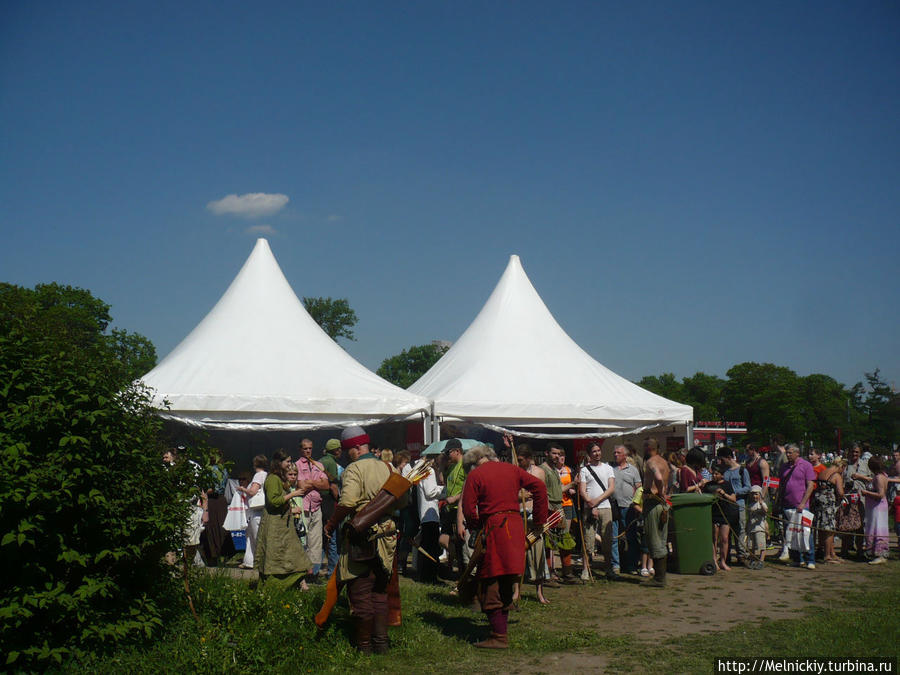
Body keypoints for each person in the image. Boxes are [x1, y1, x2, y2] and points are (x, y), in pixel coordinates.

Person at [324, 426, 404, 654]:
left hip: (362, 537)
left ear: (357, 447)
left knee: (360, 591)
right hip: (387, 538)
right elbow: (401, 501)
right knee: (379, 591)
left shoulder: (354, 469)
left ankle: (364, 646)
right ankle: (381, 644)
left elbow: (348, 502)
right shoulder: (388, 467)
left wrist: (331, 523)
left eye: (348, 449)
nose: (347, 453)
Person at [460, 444, 548, 649]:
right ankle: (499, 631)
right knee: (507, 578)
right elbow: (539, 487)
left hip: (494, 529)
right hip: (515, 527)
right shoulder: (512, 469)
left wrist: (476, 527)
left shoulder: (475, 475)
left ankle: (499, 637)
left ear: (473, 463)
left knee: (491, 579)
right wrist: (539, 520)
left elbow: (468, 508)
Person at [256, 449, 312, 589]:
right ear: (279, 462)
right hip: (274, 523)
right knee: (275, 554)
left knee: (291, 552)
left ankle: (296, 581)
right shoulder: (272, 479)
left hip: (282, 523)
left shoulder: (279, 478)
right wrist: (294, 495)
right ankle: (274, 584)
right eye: (287, 461)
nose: (289, 464)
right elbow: (273, 501)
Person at [516, 444, 550, 603]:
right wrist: (520, 495)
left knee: (537, 554)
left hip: (534, 517)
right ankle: (516, 591)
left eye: (521, 460)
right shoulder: (514, 471)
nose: (519, 462)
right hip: (519, 515)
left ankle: (539, 592)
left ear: (529, 458)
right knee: (518, 554)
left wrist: (542, 519)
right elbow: (510, 493)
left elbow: (543, 496)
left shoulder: (539, 472)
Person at [162, 447, 208, 567]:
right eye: (178, 452)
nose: (181, 455)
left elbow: (202, 488)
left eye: (183, 452)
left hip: (191, 507)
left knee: (192, 542)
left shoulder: (194, 467)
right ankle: (172, 571)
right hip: (173, 507)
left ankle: (186, 568)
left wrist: (205, 509)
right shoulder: (167, 468)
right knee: (171, 541)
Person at [578, 441, 616, 580]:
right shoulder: (584, 470)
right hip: (590, 509)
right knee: (588, 540)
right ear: (589, 454)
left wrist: (598, 500)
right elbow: (582, 490)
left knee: (607, 540)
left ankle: (608, 568)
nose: (597, 453)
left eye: (598, 450)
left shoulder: (608, 468)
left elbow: (611, 488)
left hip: (605, 507)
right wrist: (591, 504)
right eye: (594, 451)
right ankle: (586, 569)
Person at [777, 444, 817, 569]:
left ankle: (810, 559)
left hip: (801, 505)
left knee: (805, 532)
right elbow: (781, 485)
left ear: (797, 453)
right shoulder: (784, 467)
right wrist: (777, 502)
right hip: (787, 504)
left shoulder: (806, 465)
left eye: (789, 453)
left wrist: (803, 502)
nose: (787, 455)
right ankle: (797, 558)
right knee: (791, 533)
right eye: (786, 453)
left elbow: (810, 485)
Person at [294, 438, 329, 581]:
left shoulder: (318, 464)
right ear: (300, 450)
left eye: (310, 448)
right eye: (305, 448)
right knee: (302, 540)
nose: (308, 450)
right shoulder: (296, 465)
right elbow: (302, 486)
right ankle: (300, 572)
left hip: (316, 507)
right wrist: (317, 483)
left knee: (316, 541)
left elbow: (326, 485)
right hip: (303, 507)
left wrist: (311, 483)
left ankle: (312, 573)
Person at [640, 438, 670, 587]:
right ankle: (660, 576)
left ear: (647, 447)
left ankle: (659, 578)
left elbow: (658, 477)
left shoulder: (651, 462)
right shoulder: (664, 461)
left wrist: (659, 491)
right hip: (663, 505)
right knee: (662, 539)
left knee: (654, 540)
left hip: (653, 502)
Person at [611, 444, 642, 575]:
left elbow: (639, 487)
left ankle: (632, 565)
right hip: (614, 507)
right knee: (614, 537)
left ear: (625, 455)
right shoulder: (611, 469)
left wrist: (637, 505)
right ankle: (616, 565)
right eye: (615, 453)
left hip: (628, 507)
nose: (616, 455)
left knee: (631, 537)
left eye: (618, 453)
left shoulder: (633, 470)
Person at [703, 462, 739, 570]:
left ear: (722, 475)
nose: (714, 476)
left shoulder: (727, 484)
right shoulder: (708, 485)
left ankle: (723, 561)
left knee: (724, 538)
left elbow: (733, 499)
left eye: (717, 474)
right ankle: (714, 560)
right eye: (713, 473)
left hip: (725, 514)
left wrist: (723, 493)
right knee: (714, 538)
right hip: (713, 514)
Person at [549, 443, 577, 581]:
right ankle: (552, 569)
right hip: (554, 505)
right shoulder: (551, 470)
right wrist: (569, 486)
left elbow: (568, 487)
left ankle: (566, 569)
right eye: (557, 455)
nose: (560, 458)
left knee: (565, 535)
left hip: (567, 505)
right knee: (553, 538)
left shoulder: (569, 470)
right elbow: (557, 489)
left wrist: (572, 489)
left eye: (562, 455)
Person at [718, 446, 751, 564]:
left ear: (728, 458)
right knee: (728, 531)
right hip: (727, 505)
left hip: (739, 504)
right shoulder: (725, 473)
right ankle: (726, 555)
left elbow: (748, 487)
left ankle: (741, 554)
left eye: (722, 459)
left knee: (740, 529)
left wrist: (735, 493)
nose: (721, 462)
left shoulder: (742, 470)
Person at [538, 444, 565, 584]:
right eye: (554, 453)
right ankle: (547, 571)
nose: (556, 456)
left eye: (558, 454)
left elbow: (559, 488)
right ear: (547, 453)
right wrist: (548, 508)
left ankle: (561, 571)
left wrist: (573, 484)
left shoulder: (554, 469)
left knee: (561, 539)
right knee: (549, 541)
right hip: (549, 507)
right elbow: (542, 492)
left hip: (559, 505)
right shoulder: (542, 469)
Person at [200, 450, 232, 567]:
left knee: (211, 528)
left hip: (213, 501)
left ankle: (213, 556)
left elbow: (213, 488)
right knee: (221, 527)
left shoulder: (212, 469)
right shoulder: (224, 469)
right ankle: (222, 553)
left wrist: (202, 492)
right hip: (221, 501)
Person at [236, 454, 268, 569]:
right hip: (259, 510)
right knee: (251, 536)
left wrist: (242, 489)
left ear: (255, 464)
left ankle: (258, 562)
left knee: (255, 537)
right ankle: (249, 560)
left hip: (256, 510)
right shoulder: (266, 475)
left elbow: (253, 492)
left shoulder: (258, 476)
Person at [440, 439, 466, 574]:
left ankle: (459, 569)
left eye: (448, 452)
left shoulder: (465, 466)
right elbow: (442, 481)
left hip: (459, 510)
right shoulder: (451, 466)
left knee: (458, 543)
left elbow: (469, 488)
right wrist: (442, 466)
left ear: (457, 451)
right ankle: (454, 561)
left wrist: (455, 498)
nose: (447, 455)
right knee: (443, 540)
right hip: (449, 510)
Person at [841, 443, 871, 559]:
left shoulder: (865, 465)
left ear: (860, 453)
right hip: (848, 498)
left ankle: (860, 550)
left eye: (857, 452)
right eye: (852, 452)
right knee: (846, 524)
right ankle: (845, 549)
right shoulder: (845, 465)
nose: (854, 454)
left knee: (860, 526)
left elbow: (871, 479)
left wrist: (859, 477)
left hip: (861, 499)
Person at [319, 439, 343, 577]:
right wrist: (339, 499)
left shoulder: (321, 460)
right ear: (336, 450)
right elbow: (333, 485)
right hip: (328, 501)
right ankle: (333, 571)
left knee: (322, 537)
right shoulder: (331, 462)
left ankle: (315, 569)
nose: (341, 451)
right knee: (332, 537)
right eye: (339, 449)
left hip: (319, 501)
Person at [813, 459, 844, 564]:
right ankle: (827, 556)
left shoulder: (822, 472)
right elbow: (840, 492)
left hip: (819, 502)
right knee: (829, 530)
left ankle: (831, 553)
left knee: (821, 528)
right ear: (841, 467)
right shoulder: (836, 476)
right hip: (829, 504)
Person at [861, 457, 889, 564]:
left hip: (878, 507)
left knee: (878, 528)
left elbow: (880, 494)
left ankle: (880, 553)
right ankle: (873, 551)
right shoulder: (883, 475)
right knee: (874, 527)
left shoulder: (878, 478)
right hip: (874, 507)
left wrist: (866, 492)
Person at [746, 485, 768, 565]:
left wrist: (761, 503)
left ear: (760, 495)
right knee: (751, 546)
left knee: (761, 545)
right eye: (752, 494)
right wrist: (747, 527)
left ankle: (761, 561)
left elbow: (765, 511)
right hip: (751, 529)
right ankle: (752, 559)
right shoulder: (750, 505)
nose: (754, 496)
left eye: (756, 494)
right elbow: (749, 517)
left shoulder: (761, 504)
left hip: (759, 528)